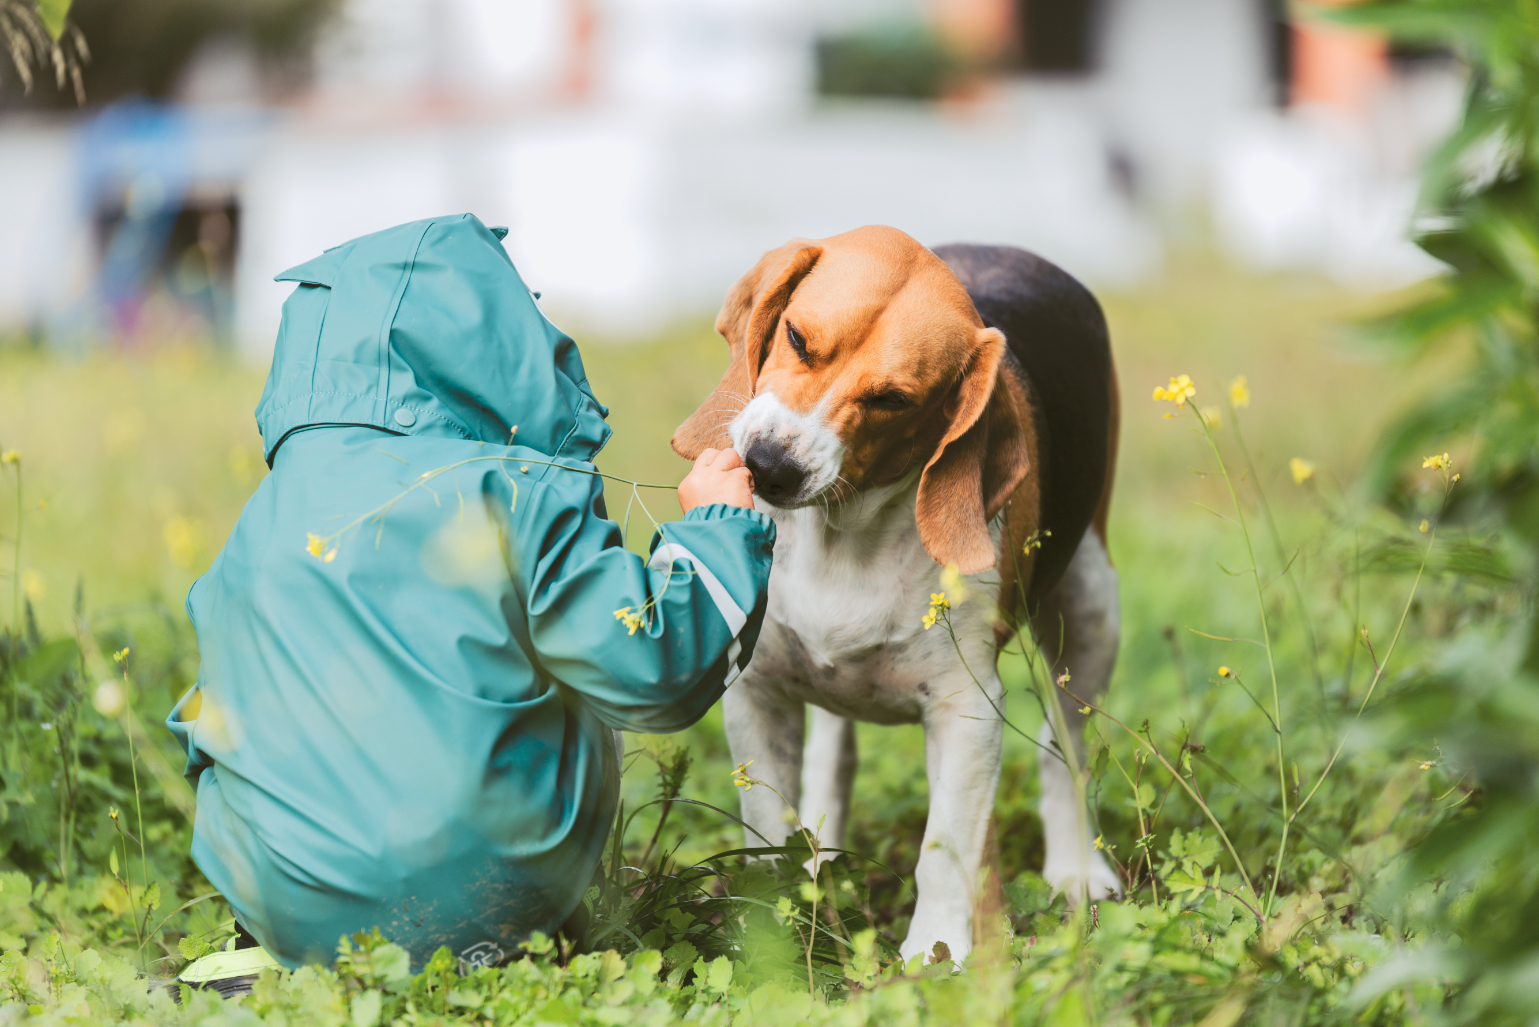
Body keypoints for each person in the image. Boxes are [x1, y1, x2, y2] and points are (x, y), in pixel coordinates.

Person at [168, 214, 772, 997]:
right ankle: (499, 943)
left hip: (284, 898)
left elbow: (216, 710)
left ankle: (278, 952)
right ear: (501, 340)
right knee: (567, 660)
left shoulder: (266, 516)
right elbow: (654, 670)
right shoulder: (517, 491)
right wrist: (716, 529)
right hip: (485, 903)